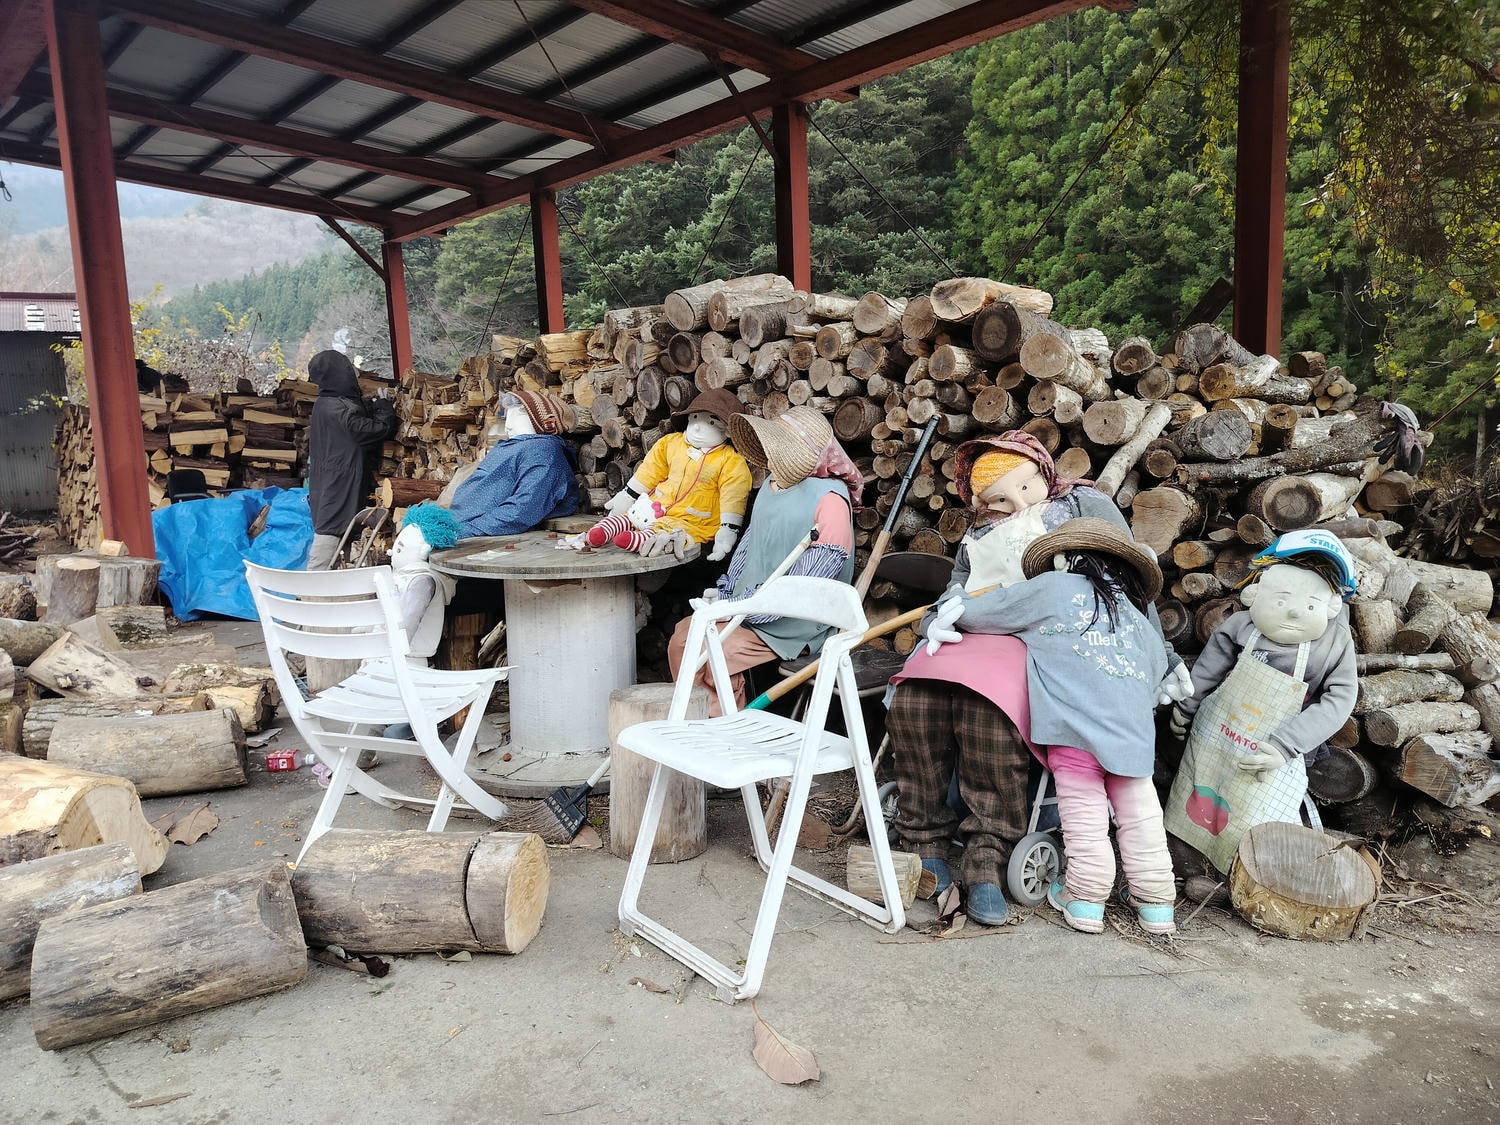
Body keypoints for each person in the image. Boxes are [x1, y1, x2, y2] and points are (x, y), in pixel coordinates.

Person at [885, 431, 1192, 926]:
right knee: (916, 698)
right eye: (998, 500)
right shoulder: (978, 536)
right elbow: (958, 591)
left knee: (988, 713)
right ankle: (924, 840)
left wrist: (1166, 654)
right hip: (973, 632)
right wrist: (937, 620)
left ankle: (988, 856)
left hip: (1038, 642)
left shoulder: (1081, 507)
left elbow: (1129, 587)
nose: (1016, 504)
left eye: (1024, 488)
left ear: (1043, 473)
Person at [949, 518, 1175, 935]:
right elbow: (1158, 666)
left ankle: (1085, 900)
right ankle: (1156, 906)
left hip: (1076, 728)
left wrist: (955, 596)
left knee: (1084, 812)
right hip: (1134, 733)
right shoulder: (1138, 617)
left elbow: (979, 615)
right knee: (1140, 816)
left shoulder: (1052, 589)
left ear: (1065, 558)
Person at [1165, 530, 1359, 875]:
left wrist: (1288, 744)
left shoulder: (1334, 642)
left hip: (1278, 747)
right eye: (1281, 600)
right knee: (1201, 789)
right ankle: (1187, 858)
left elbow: (1340, 699)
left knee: (1259, 808)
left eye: (1310, 605)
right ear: (1256, 592)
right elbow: (1210, 667)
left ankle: (1244, 875)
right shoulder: (1241, 625)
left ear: (1331, 605)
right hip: (1220, 731)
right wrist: (1188, 704)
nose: (1294, 612)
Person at [665, 405, 862, 715]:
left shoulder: (829, 499)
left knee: (718, 652)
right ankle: (695, 722)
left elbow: (810, 582)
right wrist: (728, 593)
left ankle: (724, 730)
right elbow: (750, 543)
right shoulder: (772, 486)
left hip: (792, 621)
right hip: (748, 604)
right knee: (683, 637)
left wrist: (748, 607)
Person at [571, 388, 751, 561]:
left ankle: (636, 540)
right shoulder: (671, 443)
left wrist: (729, 528)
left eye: (710, 422)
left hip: (692, 519)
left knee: (661, 531)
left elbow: (733, 495)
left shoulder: (730, 461)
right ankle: (602, 531)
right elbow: (651, 470)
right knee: (628, 517)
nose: (697, 427)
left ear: (727, 430)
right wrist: (628, 495)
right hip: (655, 505)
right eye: (695, 418)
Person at [306, 349, 398, 570]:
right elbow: (376, 429)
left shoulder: (325, 403)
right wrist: (383, 407)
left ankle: (328, 586)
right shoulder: (339, 411)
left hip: (329, 483)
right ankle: (311, 586)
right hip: (338, 486)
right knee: (328, 536)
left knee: (338, 535)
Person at [447, 390, 579, 539]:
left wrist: (461, 532)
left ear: (540, 422)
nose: (508, 427)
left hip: (473, 534)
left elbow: (525, 507)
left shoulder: (542, 451)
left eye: (515, 416)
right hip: (457, 524)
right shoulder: (521, 447)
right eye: (507, 418)